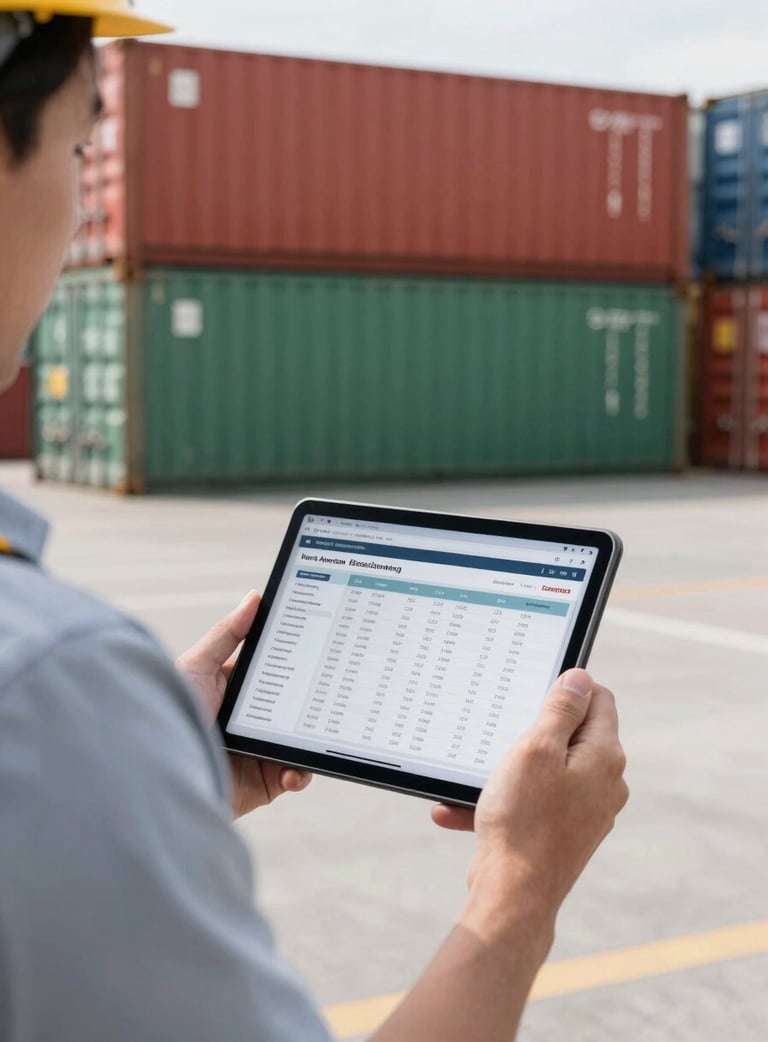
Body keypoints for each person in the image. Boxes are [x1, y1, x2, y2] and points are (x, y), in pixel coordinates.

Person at [0, 4, 629, 1040]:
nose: (78, 211)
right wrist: (522, 885)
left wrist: (163, 783)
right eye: (77, 147)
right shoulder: (50, 685)